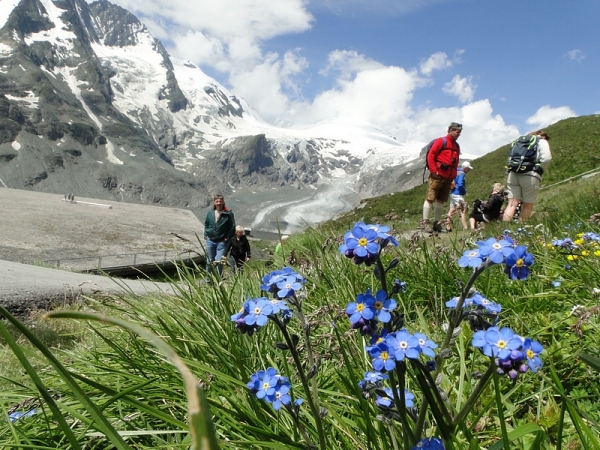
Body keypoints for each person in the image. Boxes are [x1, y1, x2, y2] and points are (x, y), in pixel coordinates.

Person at [421, 122, 462, 233]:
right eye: (457, 132)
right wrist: (434, 171)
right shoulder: (441, 141)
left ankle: (437, 224)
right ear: (450, 130)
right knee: (430, 198)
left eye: (460, 132)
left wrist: (453, 176)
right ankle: (425, 223)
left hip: (448, 178)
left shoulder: (456, 146)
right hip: (437, 176)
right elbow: (431, 155)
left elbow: (456, 162)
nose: (458, 134)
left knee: (441, 200)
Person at [503, 130, 552, 222]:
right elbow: (546, 158)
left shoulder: (519, 142)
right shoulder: (541, 141)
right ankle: (522, 231)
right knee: (527, 206)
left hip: (513, 174)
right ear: (543, 136)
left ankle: (504, 232)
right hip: (530, 175)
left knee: (512, 204)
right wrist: (540, 169)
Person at [204, 194, 235, 278]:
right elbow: (206, 224)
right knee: (209, 261)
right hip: (210, 240)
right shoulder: (210, 212)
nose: (219, 203)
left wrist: (227, 238)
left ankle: (218, 279)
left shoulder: (228, 214)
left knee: (219, 261)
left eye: (220, 201)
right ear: (214, 202)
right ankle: (208, 279)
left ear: (223, 202)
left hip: (221, 242)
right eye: (217, 201)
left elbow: (232, 227)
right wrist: (205, 234)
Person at [446, 161, 473, 231]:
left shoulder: (456, 171)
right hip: (458, 193)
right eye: (468, 169)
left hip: (452, 192)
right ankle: (465, 227)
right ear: (465, 168)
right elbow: (460, 184)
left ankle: (447, 225)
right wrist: (464, 191)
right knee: (462, 209)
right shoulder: (462, 173)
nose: (469, 170)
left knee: (452, 209)